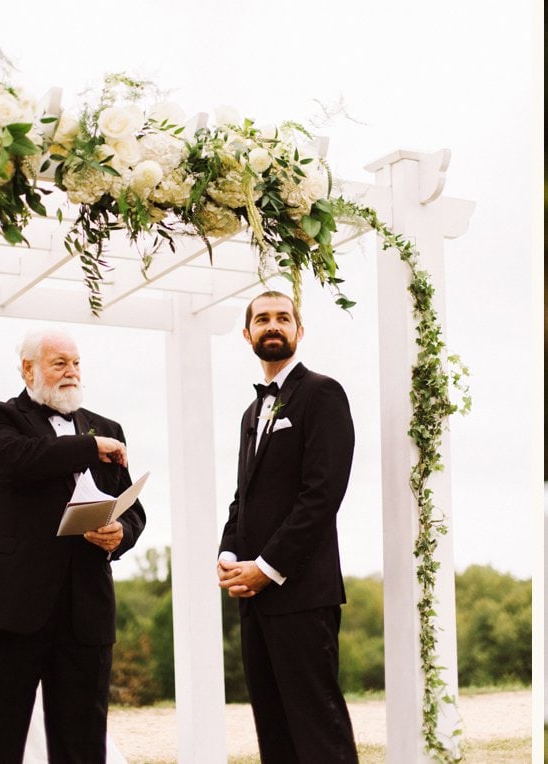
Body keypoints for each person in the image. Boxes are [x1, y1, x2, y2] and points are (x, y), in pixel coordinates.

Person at [0, 328, 144, 761]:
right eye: (59, 363)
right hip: (9, 609)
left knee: (83, 745)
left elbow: (132, 509)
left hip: (85, 613)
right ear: (28, 369)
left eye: (76, 363)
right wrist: (88, 447)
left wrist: (120, 534)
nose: (71, 372)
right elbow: (14, 461)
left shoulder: (108, 429)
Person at [217, 290, 358, 761]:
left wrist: (268, 566)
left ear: (299, 330)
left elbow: (322, 495)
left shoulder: (322, 393)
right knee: (273, 732)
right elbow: (245, 497)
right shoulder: (251, 414)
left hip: (300, 592)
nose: (272, 325)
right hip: (254, 600)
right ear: (247, 334)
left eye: (282, 318)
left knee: (318, 731)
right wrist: (229, 554)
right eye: (262, 319)